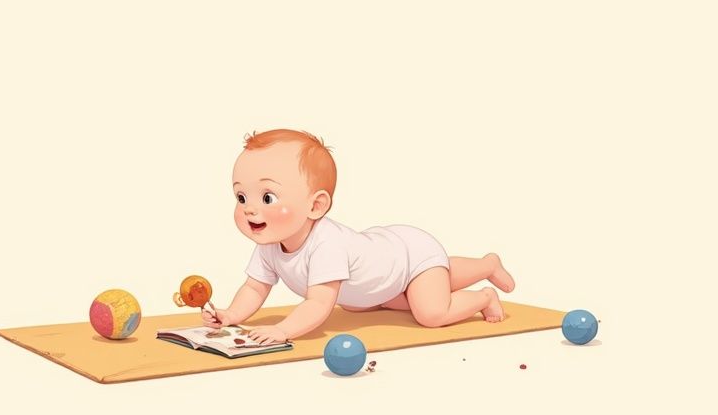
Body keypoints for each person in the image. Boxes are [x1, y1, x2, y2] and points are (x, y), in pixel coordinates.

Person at [202, 129, 516, 345]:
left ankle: (484, 294)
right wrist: (231, 314)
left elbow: (319, 303)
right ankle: (486, 263)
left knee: (431, 311)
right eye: (241, 197)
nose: (249, 210)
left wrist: (283, 330)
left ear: (316, 205)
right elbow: (255, 287)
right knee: (385, 296)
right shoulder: (271, 242)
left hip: (410, 254)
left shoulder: (326, 245)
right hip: (388, 261)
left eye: (267, 198)